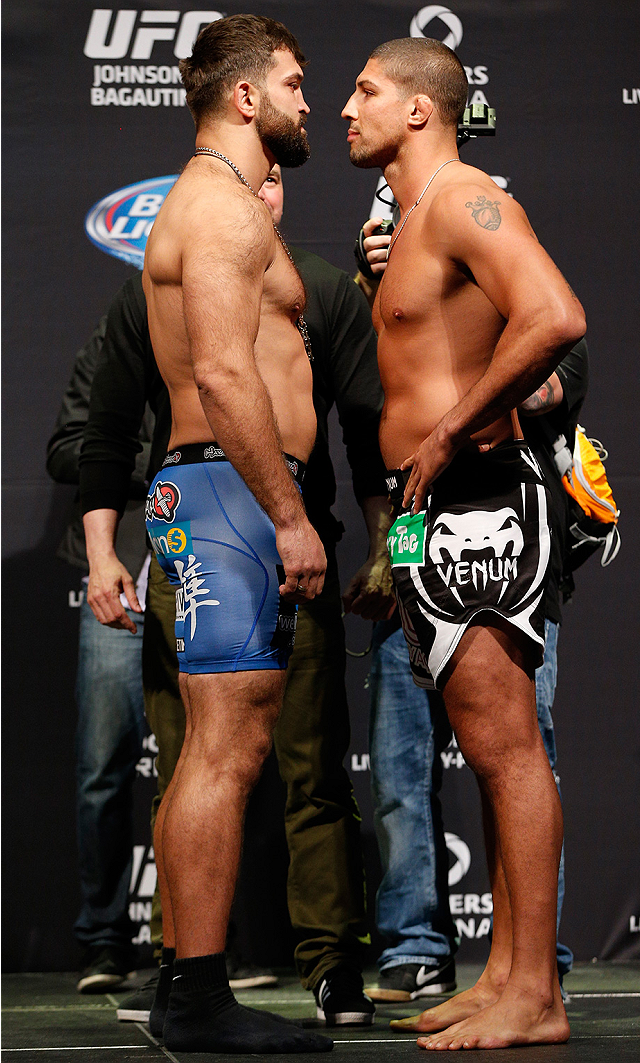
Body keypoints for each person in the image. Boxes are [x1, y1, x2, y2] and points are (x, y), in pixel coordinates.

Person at [342, 37, 586, 1051]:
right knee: (487, 756)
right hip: (432, 509)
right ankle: (504, 975)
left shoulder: (461, 197)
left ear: (416, 111)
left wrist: (450, 429)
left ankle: (537, 992)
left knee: (507, 750)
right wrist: (397, 529)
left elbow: (557, 314)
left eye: (363, 90)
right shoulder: (404, 224)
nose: (345, 108)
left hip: (484, 495)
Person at [100, 14, 332, 1053]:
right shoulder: (225, 214)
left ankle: (183, 986)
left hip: (214, 497)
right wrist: (287, 515)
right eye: (292, 81)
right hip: (235, 499)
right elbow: (227, 376)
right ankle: (196, 996)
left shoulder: (216, 205)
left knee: (213, 747)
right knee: (227, 751)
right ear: (245, 97)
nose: (306, 99)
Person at [46, 328, 152, 993]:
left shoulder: (234, 334)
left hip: (208, 568)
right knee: (103, 768)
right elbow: (64, 449)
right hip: (119, 568)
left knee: (208, 763)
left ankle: (202, 946)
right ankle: (104, 940)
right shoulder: (112, 346)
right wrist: (163, 457)